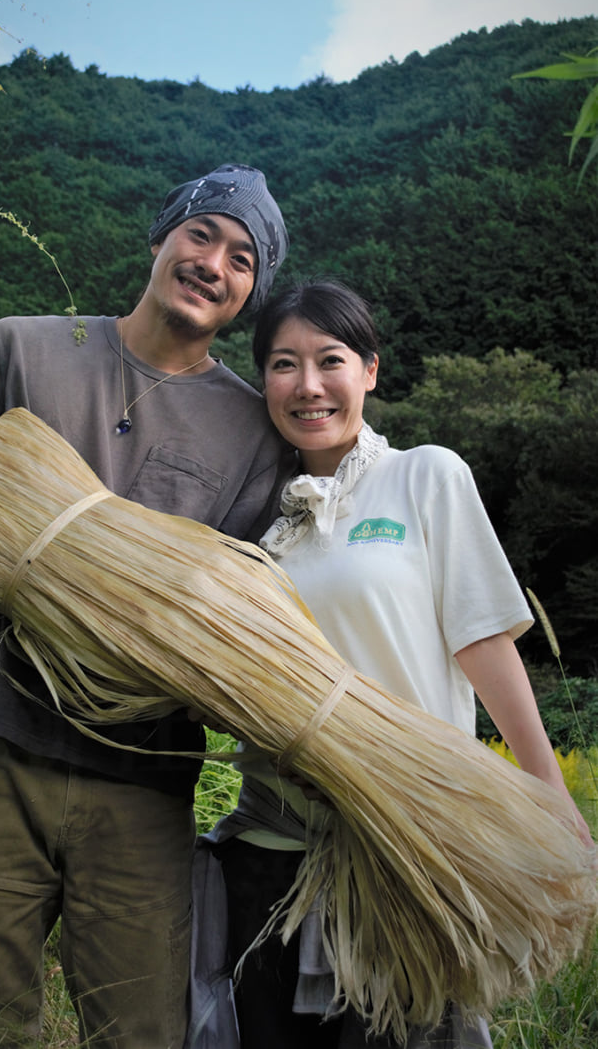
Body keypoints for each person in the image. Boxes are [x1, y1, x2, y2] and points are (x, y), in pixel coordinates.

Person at [0, 163, 293, 1049]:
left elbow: (237, 609)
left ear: (249, 295)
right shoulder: (20, 349)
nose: (214, 263)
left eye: (243, 258)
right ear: (160, 238)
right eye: (202, 234)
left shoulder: (256, 430)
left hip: (141, 779)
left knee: (142, 1034)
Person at [203, 279, 592, 1049]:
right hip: (274, 854)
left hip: (409, 850)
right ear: (263, 383)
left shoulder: (425, 476)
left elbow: (483, 640)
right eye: (283, 364)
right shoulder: (247, 518)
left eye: (330, 359)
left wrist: (547, 791)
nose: (307, 385)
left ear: (370, 371)